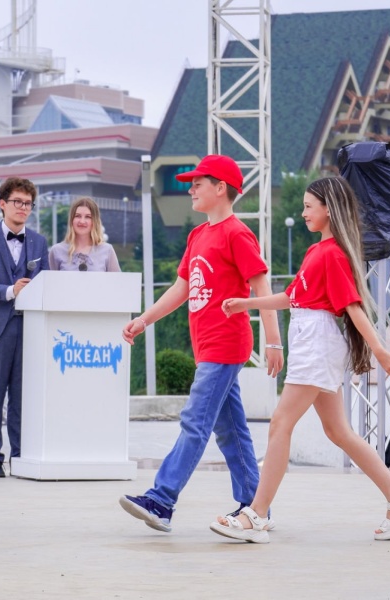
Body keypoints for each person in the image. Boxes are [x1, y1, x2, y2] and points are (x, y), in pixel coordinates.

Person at [210, 176, 390, 544]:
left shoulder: (332, 254)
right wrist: (247, 303)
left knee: (280, 423)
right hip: (312, 340)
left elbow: (353, 306)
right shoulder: (319, 251)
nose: (303, 212)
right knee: (338, 431)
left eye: (309, 206)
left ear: (329, 209)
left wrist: (379, 349)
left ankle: (256, 515)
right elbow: (293, 297)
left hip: (317, 343)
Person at [118, 155, 283, 532]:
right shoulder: (198, 236)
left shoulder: (237, 233)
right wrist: (144, 320)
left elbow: (261, 286)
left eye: (198, 183)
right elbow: (181, 288)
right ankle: (255, 507)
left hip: (226, 344)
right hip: (207, 346)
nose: (190, 189)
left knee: (195, 421)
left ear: (220, 188)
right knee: (231, 431)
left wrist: (274, 342)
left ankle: (162, 500)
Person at [0, 177, 50, 477]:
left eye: (28, 204)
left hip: (30, 329)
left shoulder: (39, 242)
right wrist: (9, 291)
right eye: (17, 202)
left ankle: (19, 455)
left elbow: (45, 282)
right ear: (2, 204)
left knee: (21, 396)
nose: (23, 208)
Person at [48, 197, 120, 272]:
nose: (82, 221)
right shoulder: (56, 251)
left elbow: (117, 279)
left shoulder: (107, 250)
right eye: (78, 216)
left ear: (95, 221)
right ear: (72, 220)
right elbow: (48, 279)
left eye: (88, 217)